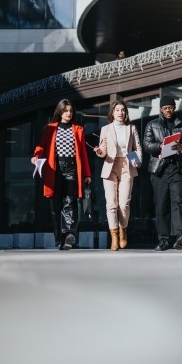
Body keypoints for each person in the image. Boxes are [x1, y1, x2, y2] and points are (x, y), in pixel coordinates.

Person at [31, 99, 92, 250]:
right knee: (55, 205)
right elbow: (41, 146)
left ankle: (69, 235)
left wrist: (86, 173)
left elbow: (83, 153)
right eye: (65, 111)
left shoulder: (78, 129)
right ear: (59, 112)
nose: (69, 114)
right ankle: (59, 239)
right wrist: (36, 156)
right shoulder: (49, 128)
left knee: (69, 202)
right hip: (55, 169)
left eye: (71, 111)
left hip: (72, 168)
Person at [143, 95, 182, 251]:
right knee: (161, 205)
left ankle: (180, 236)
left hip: (176, 168)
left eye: (171, 108)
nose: (168, 111)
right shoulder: (152, 125)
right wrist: (161, 146)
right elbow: (146, 145)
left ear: (175, 108)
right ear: (161, 109)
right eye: (165, 108)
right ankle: (164, 239)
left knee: (178, 201)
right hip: (159, 170)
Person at [93, 100, 142, 251]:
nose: (121, 113)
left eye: (123, 110)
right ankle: (114, 236)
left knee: (124, 204)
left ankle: (123, 230)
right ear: (112, 113)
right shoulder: (106, 129)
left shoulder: (131, 128)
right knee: (111, 204)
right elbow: (103, 150)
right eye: (117, 110)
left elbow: (137, 148)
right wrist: (99, 151)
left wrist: (136, 161)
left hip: (127, 166)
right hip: (110, 166)